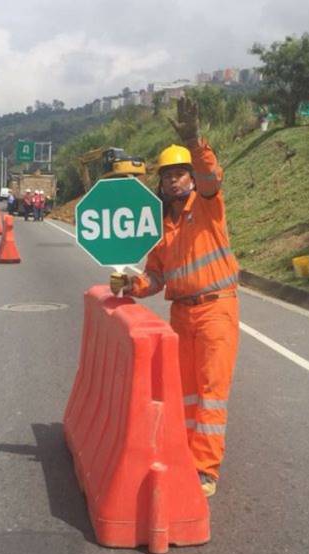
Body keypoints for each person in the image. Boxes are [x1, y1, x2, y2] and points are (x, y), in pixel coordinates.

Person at [109, 97, 240, 498]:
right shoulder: (162, 227)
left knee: (211, 391)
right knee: (183, 390)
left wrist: (194, 141)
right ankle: (184, 455)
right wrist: (131, 286)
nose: (174, 182)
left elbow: (211, 176)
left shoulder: (207, 205)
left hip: (217, 307)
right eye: (167, 177)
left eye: (180, 174)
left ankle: (205, 470)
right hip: (182, 313)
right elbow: (156, 277)